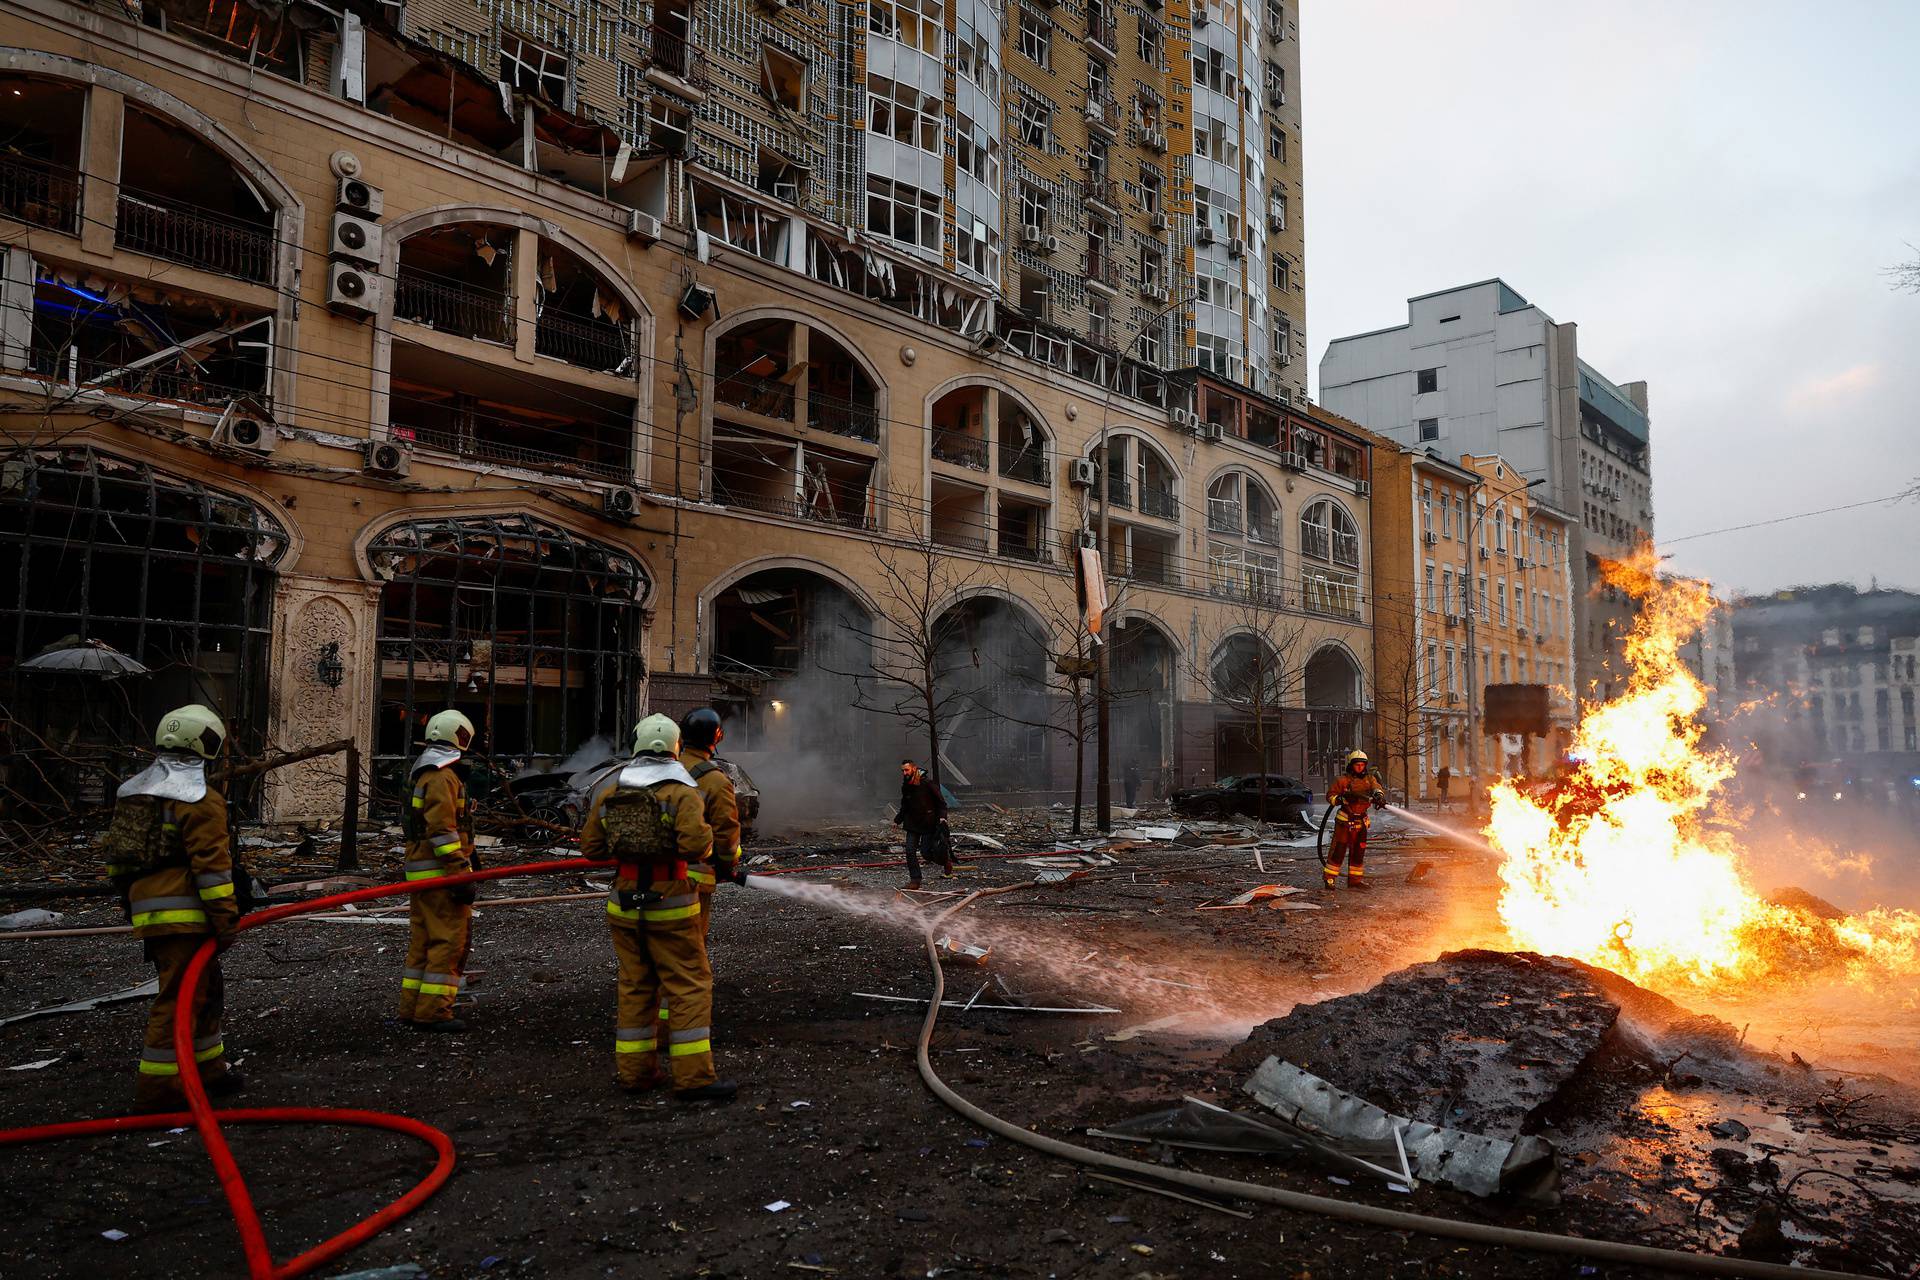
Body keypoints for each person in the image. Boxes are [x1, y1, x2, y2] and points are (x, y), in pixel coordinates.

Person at [583, 714, 735, 1103]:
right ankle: (694, 1078)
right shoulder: (683, 791)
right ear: (675, 746)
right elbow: (698, 847)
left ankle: (635, 1073)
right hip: (671, 902)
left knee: (636, 986)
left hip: (624, 903)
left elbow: (592, 850)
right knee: (688, 985)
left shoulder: (611, 788)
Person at [105, 704, 246, 1111]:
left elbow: (118, 859)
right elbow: (213, 870)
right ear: (209, 744)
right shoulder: (201, 801)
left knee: (204, 992)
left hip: (151, 910)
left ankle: (207, 1071)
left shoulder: (134, 792)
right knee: (180, 998)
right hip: (187, 914)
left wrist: (131, 903)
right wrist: (227, 922)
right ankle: (161, 1090)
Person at [398, 710, 477, 1032]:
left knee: (423, 941)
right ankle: (433, 1011)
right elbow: (442, 831)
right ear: (460, 736)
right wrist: (459, 870)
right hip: (440, 873)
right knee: (448, 941)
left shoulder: (422, 770)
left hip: (421, 871)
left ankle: (412, 1006)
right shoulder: (443, 775)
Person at [677, 707, 741, 941]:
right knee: (691, 946)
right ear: (717, 737)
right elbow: (726, 831)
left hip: (650, 876)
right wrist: (727, 865)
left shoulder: (664, 771)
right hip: (694, 878)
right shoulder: (715, 780)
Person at [1324, 749, 1386, 891]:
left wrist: (1379, 796)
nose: (1360, 767)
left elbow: (1377, 788)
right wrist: (1341, 798)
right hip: (1344, 822)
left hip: (1361, 822)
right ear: (1351, 765)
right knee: (1338, 852)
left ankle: (1355, 881)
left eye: (1362, 765)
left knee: (1358, 853)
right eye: (1357, 765)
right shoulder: (1342, 781)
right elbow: (1330, 796)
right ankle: (1329, 879)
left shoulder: (1369, 779)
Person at [894, 760, 950, 890]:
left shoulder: (927, 784)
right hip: (912, 824)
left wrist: (942, 817)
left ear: (914, 769)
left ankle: (945, 860)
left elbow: (941, 803)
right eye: (902, 770)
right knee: (909, 851)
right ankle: (915, 880)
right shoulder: (906, 786)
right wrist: (898, 820)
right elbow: (905, 805)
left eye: (906, 770)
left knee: (926, 853)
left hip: (928, 823)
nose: (904, 773)